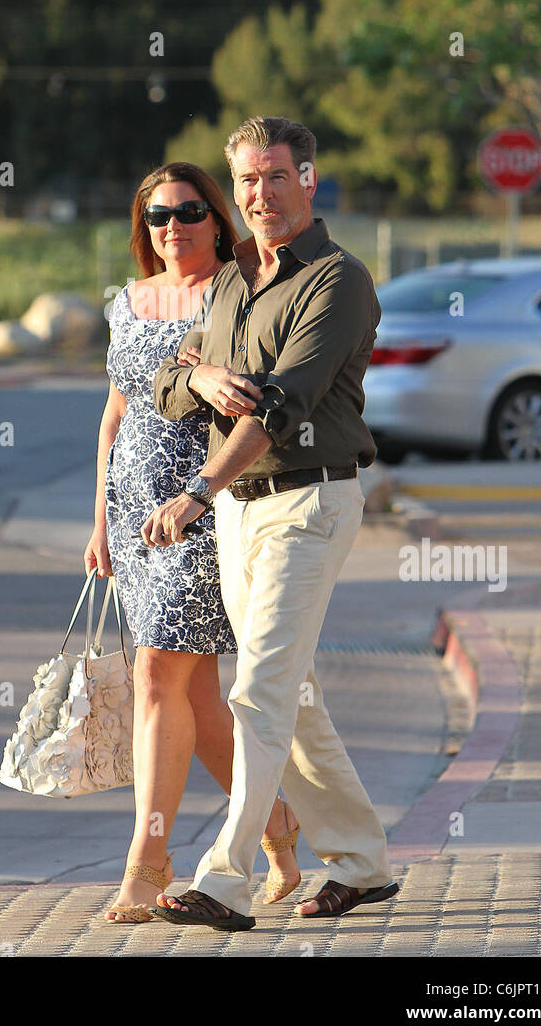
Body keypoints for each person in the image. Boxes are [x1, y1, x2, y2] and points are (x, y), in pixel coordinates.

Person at [144, 117, 399, 932]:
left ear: (309, 179)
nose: (261, 195)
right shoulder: (226, 282)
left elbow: (283, 407)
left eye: (277, 176)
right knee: (294, 696)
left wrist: (195, 490)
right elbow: (165, 382)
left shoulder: (338, 280)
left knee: (257, 692)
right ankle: (360, 861)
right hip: (240, 516)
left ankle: (225, 878)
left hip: (309, 502)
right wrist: (210, 376)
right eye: (247, 180)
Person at [85, 161, 301, 923]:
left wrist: (199, 485)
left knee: (156, 678)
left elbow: (256, 395)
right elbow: (114, 415)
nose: (172, 227)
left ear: (217, 217)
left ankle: (147, 863)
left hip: (202, 505)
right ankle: (274, 824)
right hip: (133, 517)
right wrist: (99, 519)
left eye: (187, 212)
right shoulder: (128, 301)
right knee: (196, 697)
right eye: (156, 217)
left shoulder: (238, 291)